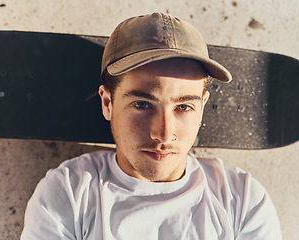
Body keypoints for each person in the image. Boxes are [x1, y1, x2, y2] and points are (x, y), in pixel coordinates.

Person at [21, 12, 282, 239]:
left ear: (202, 106)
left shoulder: (242, 199)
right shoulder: (69, 193)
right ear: (108, 103)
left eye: (183, 107)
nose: (164, 133)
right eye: (143, 105)